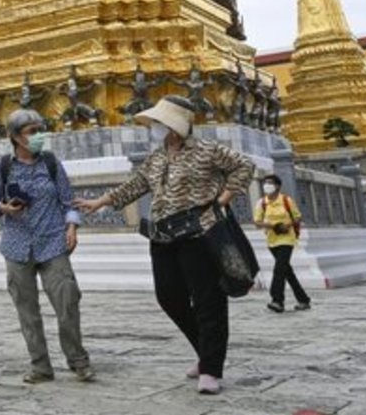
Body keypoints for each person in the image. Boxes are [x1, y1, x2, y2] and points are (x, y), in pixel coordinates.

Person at [75, 96, 254, 395]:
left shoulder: (206, 151)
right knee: (169, 297)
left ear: (174, 125)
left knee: (208, 300)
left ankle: (211, 368)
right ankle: (205, 351)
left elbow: (243, 166)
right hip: (162, 235)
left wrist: (225, 197)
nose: (154, 127)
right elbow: (135, 185)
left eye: (159, 122)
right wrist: (101, 202)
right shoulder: (157, 157)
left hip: (199, 232)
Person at [0, 109, 93, 384]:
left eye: (40, 129)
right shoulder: (3, 167)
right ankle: (41, 366)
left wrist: (72, 227)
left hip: (53, 242)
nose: (38, 136)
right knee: (28, 311)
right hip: (17, 246)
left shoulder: (51, 163)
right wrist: (4, 209)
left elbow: (68, 200)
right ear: (15, 138)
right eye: (32, 132)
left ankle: (78, 360)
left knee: (67, 300)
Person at [252, 175, 310, 312]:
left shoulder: (286, 200)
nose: (267, 185)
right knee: (286, 271)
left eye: (270, 183)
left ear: (277, 186)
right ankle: (303, 299)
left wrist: (286, 225)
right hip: (272, 240)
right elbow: (257, 222)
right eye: (265, 183)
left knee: (279, 269)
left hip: (287, 239)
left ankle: (277, 300)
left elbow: (297, 217)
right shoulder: (262, 203)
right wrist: (273, 226)